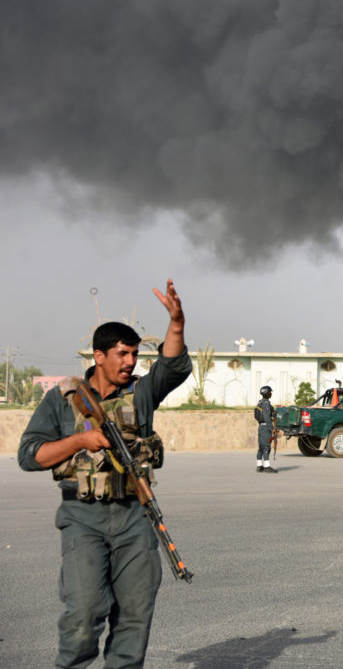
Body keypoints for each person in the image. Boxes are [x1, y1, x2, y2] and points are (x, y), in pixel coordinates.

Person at [18, 279, 192, 669]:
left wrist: (176, 324)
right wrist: (80, 442)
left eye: (134, 354)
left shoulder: (142, 393)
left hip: (135, 517)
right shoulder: (64, 399)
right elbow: (30, 455)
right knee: (83, 616)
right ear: (99, 356)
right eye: (122, 354)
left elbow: (173, 366)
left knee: (135, 616)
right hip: (84, 518)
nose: (131, 361)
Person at [256, 385, 277, 473]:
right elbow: (267, 417)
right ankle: (267, 467)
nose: (271, 393)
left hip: (261, 427)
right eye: (270, 392)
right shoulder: (266, 404)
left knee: (261, 446)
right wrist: (271, 428)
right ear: (266, 393)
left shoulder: (260, 402)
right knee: (266, 447)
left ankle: (259, 465)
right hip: (266, 428)